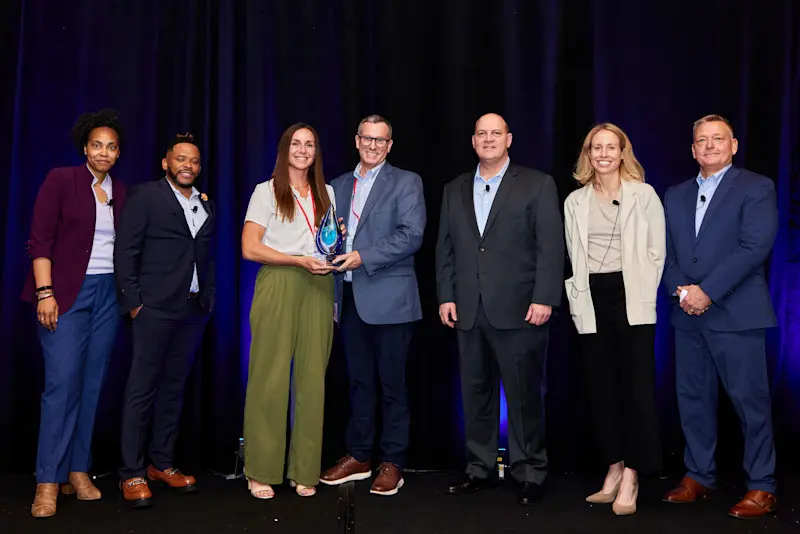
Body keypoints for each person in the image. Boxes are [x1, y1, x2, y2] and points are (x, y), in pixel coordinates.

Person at [435, 113, 564, 505]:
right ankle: (479, 468)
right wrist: (445, 295)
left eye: (496, 133)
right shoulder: (453, 189)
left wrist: (545, 297)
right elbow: (446, 249)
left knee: (524, 397)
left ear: (509, 139)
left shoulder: (537, 184)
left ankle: (529, 472)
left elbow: (550, 246)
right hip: (468, 310)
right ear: (473, 141)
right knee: (475, 395)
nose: (488, 139)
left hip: (522, 310)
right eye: (481, 134)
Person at [661, 114, 778, 519]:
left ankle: (762, 485)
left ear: (734, 145)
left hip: (737, 314)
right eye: (701, 140)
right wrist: (683, 292)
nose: (709, 146)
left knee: (751, 404)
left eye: (718, 139)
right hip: (687, 315)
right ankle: (699, 476)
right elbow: (667, 254)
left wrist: (707, 292)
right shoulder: (674, 194)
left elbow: (754, 247)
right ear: (693, 149)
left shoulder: (757, 187)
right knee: (692, 401)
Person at [22, 109, 127, 518]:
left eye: (111, 146)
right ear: (86, 147)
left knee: (91, 385)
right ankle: (47, 480)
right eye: (97, 145)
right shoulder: (61, 180)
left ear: (118, 153)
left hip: (107, 296)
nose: (104, 152)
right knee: (61, 387)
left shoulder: (124, 191)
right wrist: (45, 292)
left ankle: (77, 471)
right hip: (65, 293)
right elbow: (40, 240)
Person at [319, 115, 426, 496]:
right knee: (359, 384)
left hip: (392, 301)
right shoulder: (336, 186)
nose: (374, 146)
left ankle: (392, 461)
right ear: (356, 140)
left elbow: (412, 235)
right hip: (349, 301)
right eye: (368, 138)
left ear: (390, 145)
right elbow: (327, 236)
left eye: (381, 140)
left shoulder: (407, 182)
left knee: (393, 385)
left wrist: (362, 255)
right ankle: (360, 455)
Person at [563, 123, 664, 516]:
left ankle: (634, 475)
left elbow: (657, 252)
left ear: (624, 153)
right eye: (596, 147)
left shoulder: (644, 195)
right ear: (588, 154)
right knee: (602, 391)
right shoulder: (575, 201)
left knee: (636, 391)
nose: (603, 154)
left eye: (611, 147)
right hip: (592, 300)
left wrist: (641, 289)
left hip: (632, 298)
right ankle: (613, 468)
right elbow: (574, 256)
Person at [114, 133, 215, 508]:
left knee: (173, 390)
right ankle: (131, 473)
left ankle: (163, 464)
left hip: (192, 311)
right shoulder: (144, 196)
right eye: (181, 159)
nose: (188, 165)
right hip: (153, 309)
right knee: (141, 390)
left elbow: (207, 255)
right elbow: (126, 252)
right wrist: (134, 303)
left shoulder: (206, 204)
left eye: (194, 160)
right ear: (166, 162)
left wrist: (211, 298)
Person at [241, 123, 338, 499]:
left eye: (309, 144)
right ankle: (260, 470)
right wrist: (297, 261)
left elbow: (325, 242)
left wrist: (333, 248)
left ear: (316, 151)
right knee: (271, 376)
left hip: (318, 285)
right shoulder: (265, 192)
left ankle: (305, 469)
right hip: (280, 281)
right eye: (295, 144)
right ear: (285, 150)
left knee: (313, 380)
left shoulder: (325, 192)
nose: (302, 150)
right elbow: (249, 247)